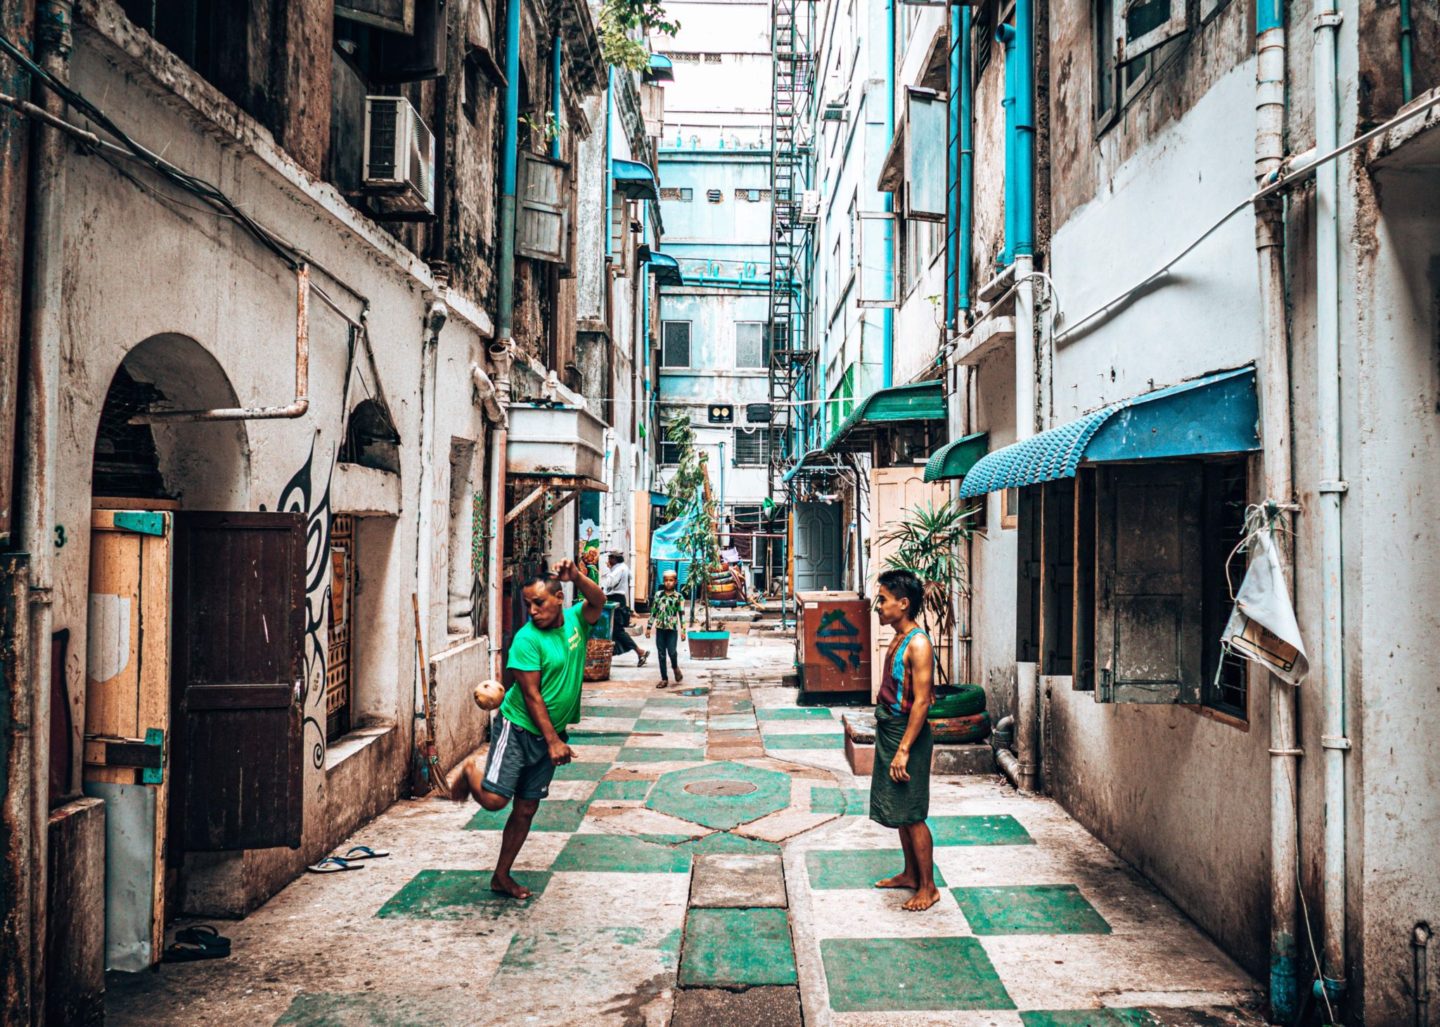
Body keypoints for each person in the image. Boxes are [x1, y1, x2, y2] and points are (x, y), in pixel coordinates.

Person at [448, 559, 605, 899]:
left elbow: (599, 601)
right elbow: (531, 697)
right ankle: (470, 774)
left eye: (539, 603)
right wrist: (553, 742)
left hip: (551, 734)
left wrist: (577, 575)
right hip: (518, 729)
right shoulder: (525, 640)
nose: (532, 611)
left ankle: (501, 876)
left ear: (560, 598)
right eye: (528, 605)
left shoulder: (577, 621)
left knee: (527, 808)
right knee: (494, 801)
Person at [869, 568, 940, 912]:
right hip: (891, 728)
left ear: (903, 603)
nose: (878, 606)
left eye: (883, 600)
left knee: (912, 813)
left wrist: (904, 750)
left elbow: (923, 702)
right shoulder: (898, 636)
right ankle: (911, 873)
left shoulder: (919, 644)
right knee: (899, 810)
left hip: (906, 734)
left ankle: (928, 887)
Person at [601, 552, 648, 666]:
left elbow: (609, 584)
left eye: (610, 558)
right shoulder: (624, 568)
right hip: (619, 599)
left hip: (615, 599)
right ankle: (608, 656)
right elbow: (630, 577)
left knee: (617, 630)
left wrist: (608, 572)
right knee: (614, 631)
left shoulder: (617, 570)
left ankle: (640, 652)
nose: (608, 560)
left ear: (614, 559)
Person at [645, 569, 687, 688]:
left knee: (672, 652)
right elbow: (653, 612)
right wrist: (649, 627)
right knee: (661, 653)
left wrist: (683, 630)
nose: (668, 583)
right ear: (663, 581)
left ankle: (675, 667)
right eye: (666, 580)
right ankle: (664, 678)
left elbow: (682, 615)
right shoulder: (658, 595)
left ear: (675, 582)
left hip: (672, 629)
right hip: (660, 629)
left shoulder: (679, 597)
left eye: (671, 580)